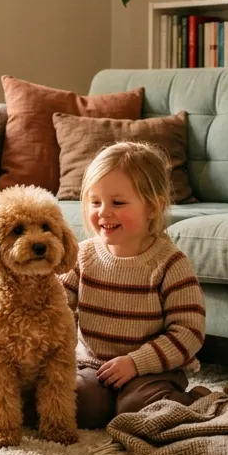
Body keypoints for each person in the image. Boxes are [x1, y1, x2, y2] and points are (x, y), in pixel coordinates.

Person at [58, 141, 210, 429]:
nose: (103, 212)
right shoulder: (82, 256)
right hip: (94, 367)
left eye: (118, 203)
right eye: (95, 202)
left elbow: (189, 332)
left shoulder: (170, 264)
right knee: (81, 405)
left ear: (152, 207)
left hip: (153, 371)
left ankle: (197, 400)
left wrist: (136, 362)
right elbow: (56, 307)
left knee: (137, 410)